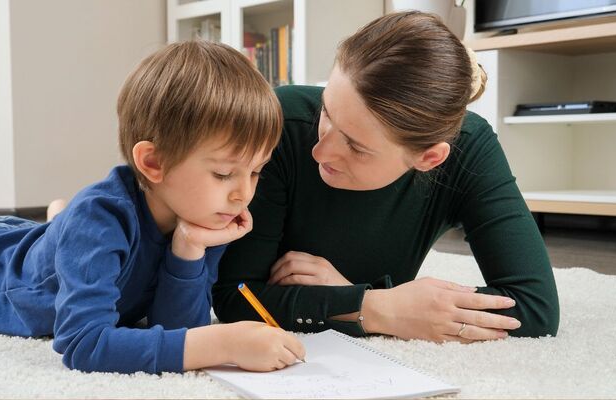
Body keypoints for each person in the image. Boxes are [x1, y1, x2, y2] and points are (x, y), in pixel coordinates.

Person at [0, 41, 305, 374]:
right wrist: (224, 343)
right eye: (224, 173)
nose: (243, 194)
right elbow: (82, 343)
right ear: (153, 163)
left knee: (59, 238)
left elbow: (175, 328)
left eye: (256, 172)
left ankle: (47, 221)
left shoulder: (204, 216)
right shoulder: (101, 217)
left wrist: (189, 249)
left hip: (31, 242)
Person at [213, 11, 560, 343]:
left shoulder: (469, 148)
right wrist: (379, 308)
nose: (320, 151)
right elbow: (236, 297)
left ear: (429, 159)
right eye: (327, 112)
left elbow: (534, 307)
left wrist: (359, 297)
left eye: (355, 146)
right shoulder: (279, 125)